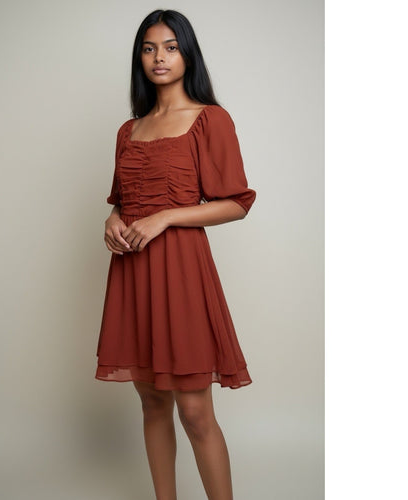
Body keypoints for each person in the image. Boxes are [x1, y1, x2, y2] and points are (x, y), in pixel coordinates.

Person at [95, 9, 256, 500]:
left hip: (182, 273)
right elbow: (123, 201)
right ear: (139, 58)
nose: (159, 57)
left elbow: (237, 202)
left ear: (188, 55)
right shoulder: (129, 130)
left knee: (194, 410)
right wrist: (112, 221)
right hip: (133, 273)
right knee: (151, 403)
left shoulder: (210, 119)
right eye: (149, 48)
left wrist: (166, 217)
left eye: (170, 47)